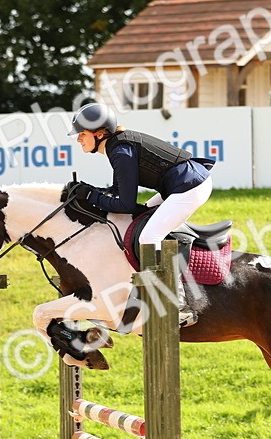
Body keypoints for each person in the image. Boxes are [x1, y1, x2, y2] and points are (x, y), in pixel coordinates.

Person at [65, 102, 214, 326]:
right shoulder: (115, 146)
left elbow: (125, 204)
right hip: (177, 186)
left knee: (149, 237)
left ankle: (180, 306)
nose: (78, 139)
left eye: (82, 134)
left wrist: (91, 196)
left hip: (190, 187)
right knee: (139, 222)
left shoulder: (121, 151)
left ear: (99, 134)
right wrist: (91, 191)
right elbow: (119, 194)